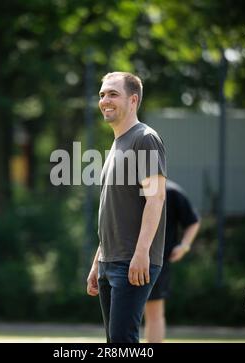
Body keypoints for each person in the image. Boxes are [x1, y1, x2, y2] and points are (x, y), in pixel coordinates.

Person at [86, 71, 167, 343]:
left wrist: (142, 252)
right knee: (115, 342)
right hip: (110, 261)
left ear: (133, 100)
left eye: (113, 94)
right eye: (102, 94)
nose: (105, 100)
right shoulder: (117, 144)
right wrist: (99, 260)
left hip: (132, 261)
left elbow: (155, 199)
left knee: (122, 341)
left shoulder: (145, 138)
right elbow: (112, 209)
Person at [144, 179, 201, 343]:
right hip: (125, 258)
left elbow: (193, 221)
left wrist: (184, 245)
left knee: (154, 312)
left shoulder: (172, 191)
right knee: (123, 313)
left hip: (157, 261)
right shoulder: (129, 189)